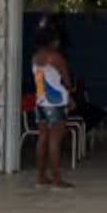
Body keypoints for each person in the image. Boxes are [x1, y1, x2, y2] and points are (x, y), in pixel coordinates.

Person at [31, 33, 74, 189]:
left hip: (40, 101)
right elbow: (67, 80)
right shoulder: (55, 57)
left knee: (42, 138)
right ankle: (57, 179)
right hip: (55, 102)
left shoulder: (36, 57)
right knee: (55, 139)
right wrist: (70, 94)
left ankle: (41, 177)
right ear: (52, 42)